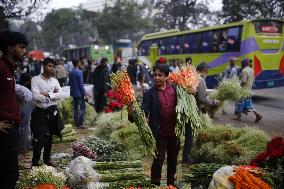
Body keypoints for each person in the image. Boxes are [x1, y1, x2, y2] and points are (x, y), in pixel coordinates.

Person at [128, 64, 179, 187]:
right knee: (158, 161)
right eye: (155, 75)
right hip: (159, 133)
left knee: (173, 161)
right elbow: (144, 111)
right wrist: (132, 113)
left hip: (174, 132)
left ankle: (171, 184)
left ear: (167, 76)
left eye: (160, 75)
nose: (156, 78)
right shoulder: (150, 93)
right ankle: (154, 184)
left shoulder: (175, 90)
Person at [0, 30, 28, 189]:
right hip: (3, 130)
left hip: (11, 129)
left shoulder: (9, 68)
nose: (24, 51)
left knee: (10, 173)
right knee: (9, 174)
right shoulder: (1, 67)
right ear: (10, 48)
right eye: (22, 47)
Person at [182, 62, 221, 164]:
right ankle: (186, 158)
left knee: (186, 134)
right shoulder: (200, 79)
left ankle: (185, 156)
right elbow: (202, 98)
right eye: (207, 71)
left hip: (184, 110)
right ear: (205, 70)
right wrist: (214, 102)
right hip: (192, 112)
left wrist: (202, 106)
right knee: (189, 136)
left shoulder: (190, 77)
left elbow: (195, 95)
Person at [30, 57, 64, 167]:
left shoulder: (54, 81)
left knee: (50, 136)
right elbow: (35, 96)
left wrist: (47, 94)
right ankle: (35, 162)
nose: (52, 69)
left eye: (53, 67)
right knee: (39, 137)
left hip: (52, 112)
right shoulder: (35, 79)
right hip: (40, 112)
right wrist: (52, 95)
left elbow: (60, 94)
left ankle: (47, 159)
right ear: (44, 66)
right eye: (49, 66)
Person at [234, 58, 262, 123]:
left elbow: (243, 81)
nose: (241, 65)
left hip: (243, 90)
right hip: (249, 90)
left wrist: (239, 87)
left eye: (241, 64)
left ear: (243, 64)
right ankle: (257, 115)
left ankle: (238, 117)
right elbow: (253, 80)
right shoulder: (252, 70)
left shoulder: (244, 71)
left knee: (239, 102)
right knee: (249, 104)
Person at [69, 59, 87, 129]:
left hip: (73, 93)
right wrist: (85, 94)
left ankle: (76, 123)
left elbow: (70, 83)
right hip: (79, 93)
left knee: (75, 108)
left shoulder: (71, 72)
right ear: (78, 63)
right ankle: (80, 124)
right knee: (82, 108)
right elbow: (81, 85)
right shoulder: (79, 72)